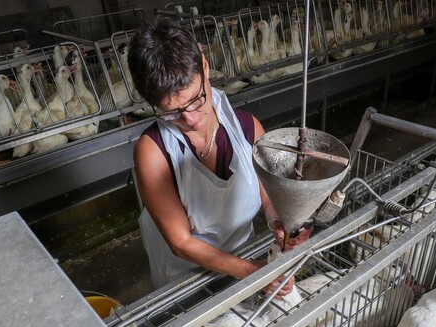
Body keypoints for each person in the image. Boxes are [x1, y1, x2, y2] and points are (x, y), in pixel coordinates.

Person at [128, 19, 310, 293]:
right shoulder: (153, 151)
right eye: (171, 112)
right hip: (185, 284)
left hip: (244, 258)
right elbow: (181, 243)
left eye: (196, 100)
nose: (189, 119)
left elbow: (265, 195)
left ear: (204, 66)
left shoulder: (248, 129)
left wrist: (279, 223)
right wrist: (250, 273)